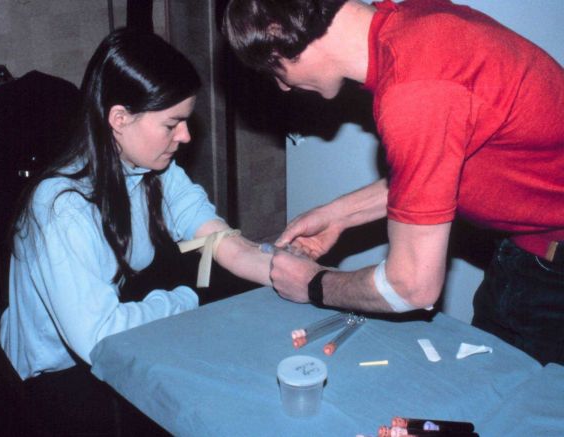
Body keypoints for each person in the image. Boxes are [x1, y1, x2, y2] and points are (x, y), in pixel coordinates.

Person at [222, 0, 564, 365]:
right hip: (527, 253)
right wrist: (340, 214)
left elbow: (412, 286)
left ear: (277, 33)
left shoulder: (415, 90)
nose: (284, 87)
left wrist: (314, 284)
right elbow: (433, 170)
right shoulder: (413, 22)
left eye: (274, 69)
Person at [0, 28, 272, 436]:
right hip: (53, 376)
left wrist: (278, 263)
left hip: (108, 336)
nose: (186, 136)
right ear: (120, 119)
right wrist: (184, 300)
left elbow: (213, 237)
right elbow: (97, 338)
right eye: (172, 124)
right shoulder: (60, 209)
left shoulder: (153, 168)